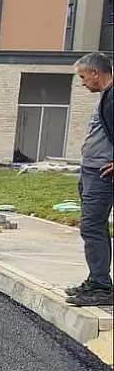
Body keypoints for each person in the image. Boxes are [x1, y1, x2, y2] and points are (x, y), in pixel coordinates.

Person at [67, 51, 114, 308]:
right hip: (91, 170)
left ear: (96, 73)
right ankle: (96, 280)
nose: (83, 83)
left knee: (92, 226)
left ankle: (101, 286)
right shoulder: (106, 96)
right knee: (94, 226)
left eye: (84, 77)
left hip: (102, 174)